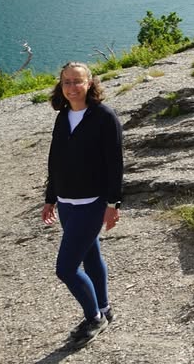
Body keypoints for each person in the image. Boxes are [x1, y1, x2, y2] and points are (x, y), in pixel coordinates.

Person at [41, 62, 124, 347]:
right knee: (90, 256)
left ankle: (94, 318)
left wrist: (113, 204)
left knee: (65, 269)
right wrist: (50, 198)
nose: (72, 87)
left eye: (78, 81)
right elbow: (55, 160)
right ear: (61, 85)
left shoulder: (104, 116)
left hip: (92, 202)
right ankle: (104, 308)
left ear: (90, 83)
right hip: (66, 202)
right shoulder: (63, 116)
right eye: (66, 82)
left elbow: (115, 164)